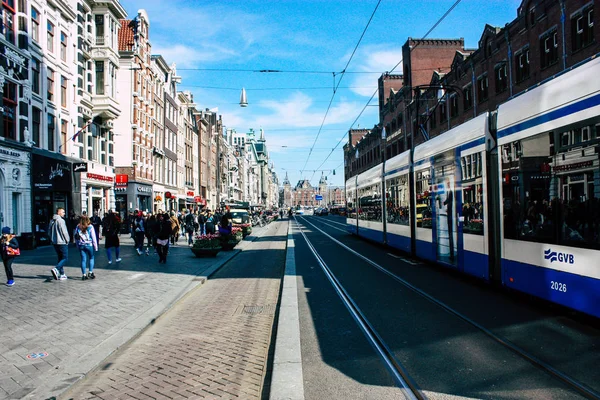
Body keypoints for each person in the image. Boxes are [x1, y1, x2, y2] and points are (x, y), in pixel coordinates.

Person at [49, 207, 70, 280]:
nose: (64, 213)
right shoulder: (61, 221)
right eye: (63, 212)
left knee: (60, 257)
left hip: (55, 242)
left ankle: (62, 274)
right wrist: (67, 240)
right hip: (62, 242)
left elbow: (49, 231)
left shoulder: (52, 220)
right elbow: (64, 231)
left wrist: (51, 239)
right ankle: (56, 269)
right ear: (59, 212)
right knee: (65, 258)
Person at [75, 216, 98, 280]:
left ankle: (84, 274)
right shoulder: (90, 227)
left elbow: (76, 237)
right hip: (89, 245)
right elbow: (93, 237)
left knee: (83, 259)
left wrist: (77, 245)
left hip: (81, 245)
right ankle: (90, 272)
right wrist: (95, 246)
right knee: (91, 258)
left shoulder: (78, 227)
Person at [443, 178, 455, 263]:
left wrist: (444, 204)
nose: (447, 184)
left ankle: (451, 254)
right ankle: (451, 253)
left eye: (448, 183)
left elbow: (450, 201)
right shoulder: (449, 191)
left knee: (451, 235)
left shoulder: (451, 191)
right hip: (449, 214)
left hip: (451, 215)